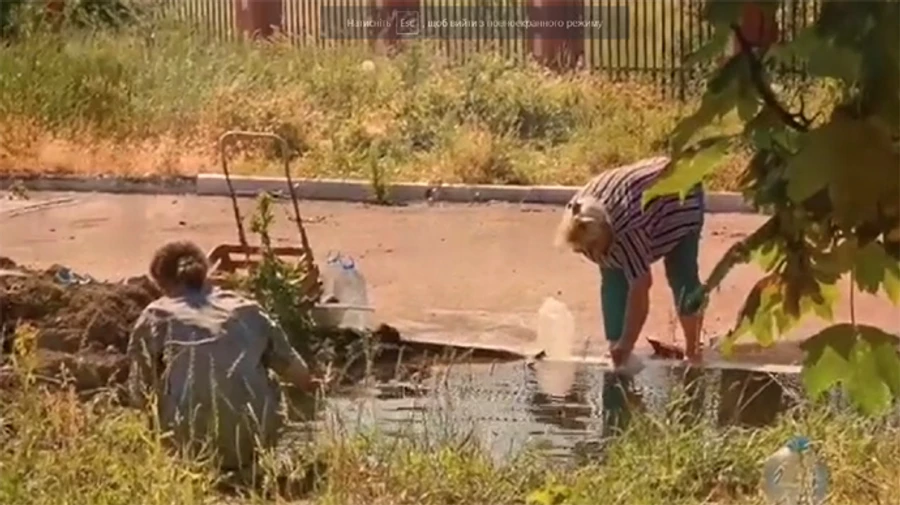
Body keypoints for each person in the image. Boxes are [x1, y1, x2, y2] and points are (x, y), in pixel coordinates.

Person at [126, 240, 319, 476]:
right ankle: (249, 465)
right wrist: (312, 387)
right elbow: (299, 374)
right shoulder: (248, 308)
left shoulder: (156, 314)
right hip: (250, 441)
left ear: (162, 283)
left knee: (160, 384)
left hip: (187, 444)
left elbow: (139, 392)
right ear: (207, 273)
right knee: (270, 372)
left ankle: (185, 466)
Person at [555, 156, 706, 367]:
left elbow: (640, 286)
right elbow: (612, 284)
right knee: (612, 274)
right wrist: (618, 347)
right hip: (639, 198)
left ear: (607, 233)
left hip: (680, 197)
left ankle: (693, 351)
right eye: (583, 250)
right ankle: (614, 347)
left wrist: (628, 344)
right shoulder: (578, 213)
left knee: (681, 273)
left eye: (591, 248)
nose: (590, 255)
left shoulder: (628, 231)